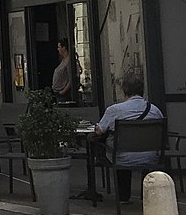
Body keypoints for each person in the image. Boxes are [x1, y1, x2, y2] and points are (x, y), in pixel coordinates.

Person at [93, 73, 165, 203]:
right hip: (150, 156)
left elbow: (100, 130)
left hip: (122, 157)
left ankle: (123, 196)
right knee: (130, 149)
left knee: (112, 147)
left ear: (124, 90)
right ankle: (148, 196)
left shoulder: (114, 110)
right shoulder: (155, 110)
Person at [52, 38, 79, 104]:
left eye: (59, 47)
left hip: (63, 94)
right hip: (58, 92)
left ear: (64, 47)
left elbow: (71, 77)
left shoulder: (69, 61)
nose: (58, 49)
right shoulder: (64, 60)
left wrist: (64, 90)